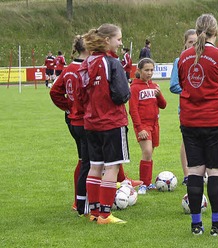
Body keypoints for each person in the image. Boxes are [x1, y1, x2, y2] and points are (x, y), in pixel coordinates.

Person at [177, 13, 218, 236]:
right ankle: (217, 225)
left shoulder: (184, 56)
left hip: (190, 120)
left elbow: (185, 81)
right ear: (216, 31)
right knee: (215, 171)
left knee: (195, 170)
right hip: (216, 120)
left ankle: (196, 226)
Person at [78, 23, 131, 224]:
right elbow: (120, 95)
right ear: (107, 40)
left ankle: (93, 212)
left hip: (91, 122)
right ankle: (106, 214)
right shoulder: (112, 63)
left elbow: (81, 94)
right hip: (111, 121)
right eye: (118, 39)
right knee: (112, 167)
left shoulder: (87, 61)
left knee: (94, 166)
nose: (120, 43)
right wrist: (129, 91)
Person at [49, 35, 91, 216]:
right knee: (89, 163)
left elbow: (55, 91)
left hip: (73, 120)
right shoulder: (84, 69)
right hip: (85, 122)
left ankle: (80, 200)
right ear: (88, 48)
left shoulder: (69, 69)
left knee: (84, 160)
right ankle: (83, 202)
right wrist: (71, 106)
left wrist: (68, 107)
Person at [129, 58, 167, 195]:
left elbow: (163, 105)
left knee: (150, 154)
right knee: (147, 152)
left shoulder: (154, 86)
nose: (149, 73)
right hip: (143, 126)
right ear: (139, 71)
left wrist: (159, 95)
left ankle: (148, 182)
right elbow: (133, 110)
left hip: (154, 125)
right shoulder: (134, 88)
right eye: (146, 70)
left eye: (151, 70)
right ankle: (143, 184)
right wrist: (139, 129)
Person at [170, 29, 198, 185]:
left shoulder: (204, 59)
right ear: (185, 43)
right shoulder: (179, 60)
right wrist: (191, 92)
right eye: (190, 42)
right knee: (187, 141)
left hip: (205, 108)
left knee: (205, 140)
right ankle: (187, 174)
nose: (193, 45)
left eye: (196, 42)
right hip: (187, 108)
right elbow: (174, 85)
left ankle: (200, 173)